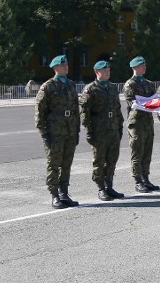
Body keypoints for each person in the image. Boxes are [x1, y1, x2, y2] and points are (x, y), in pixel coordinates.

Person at [35, 55, 80, 208]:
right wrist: (44, 133)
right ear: (55, 68)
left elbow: (75, 109)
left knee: (66, 164)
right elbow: (39, 112)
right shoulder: (48, 86)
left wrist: (77, 130)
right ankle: (54, 195)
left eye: (66, 64)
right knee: (54, 164)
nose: (66, 67)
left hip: (70, 131)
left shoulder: (71, 85)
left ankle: (64, 193)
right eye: (63, 65)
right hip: (54, 132)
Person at [79, 60, 125, 201]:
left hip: (113, 129)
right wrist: (88, 130)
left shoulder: (112, 88)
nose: (107, 71)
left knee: (112, 159)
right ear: (96, 72)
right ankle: (101, 188)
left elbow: (117, 109)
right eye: (104, 70)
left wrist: (120, 126)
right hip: (99, 130)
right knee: (99, 160)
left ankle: (109, 186)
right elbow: (84, 112)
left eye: (108, 69)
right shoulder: (90, 89)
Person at [123, 56, 160, 192]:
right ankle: (138, 180)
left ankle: (145, 178)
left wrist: (154, 103)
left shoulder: (149, 83)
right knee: (137, 152)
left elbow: (155, 100)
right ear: (135, 68)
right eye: (142, 65)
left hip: (147, 122)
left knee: (147, 151)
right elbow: (131, 102)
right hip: (136, 122)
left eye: (144, 65)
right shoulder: (130, 84)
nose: (144, 67)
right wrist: (146, 103)